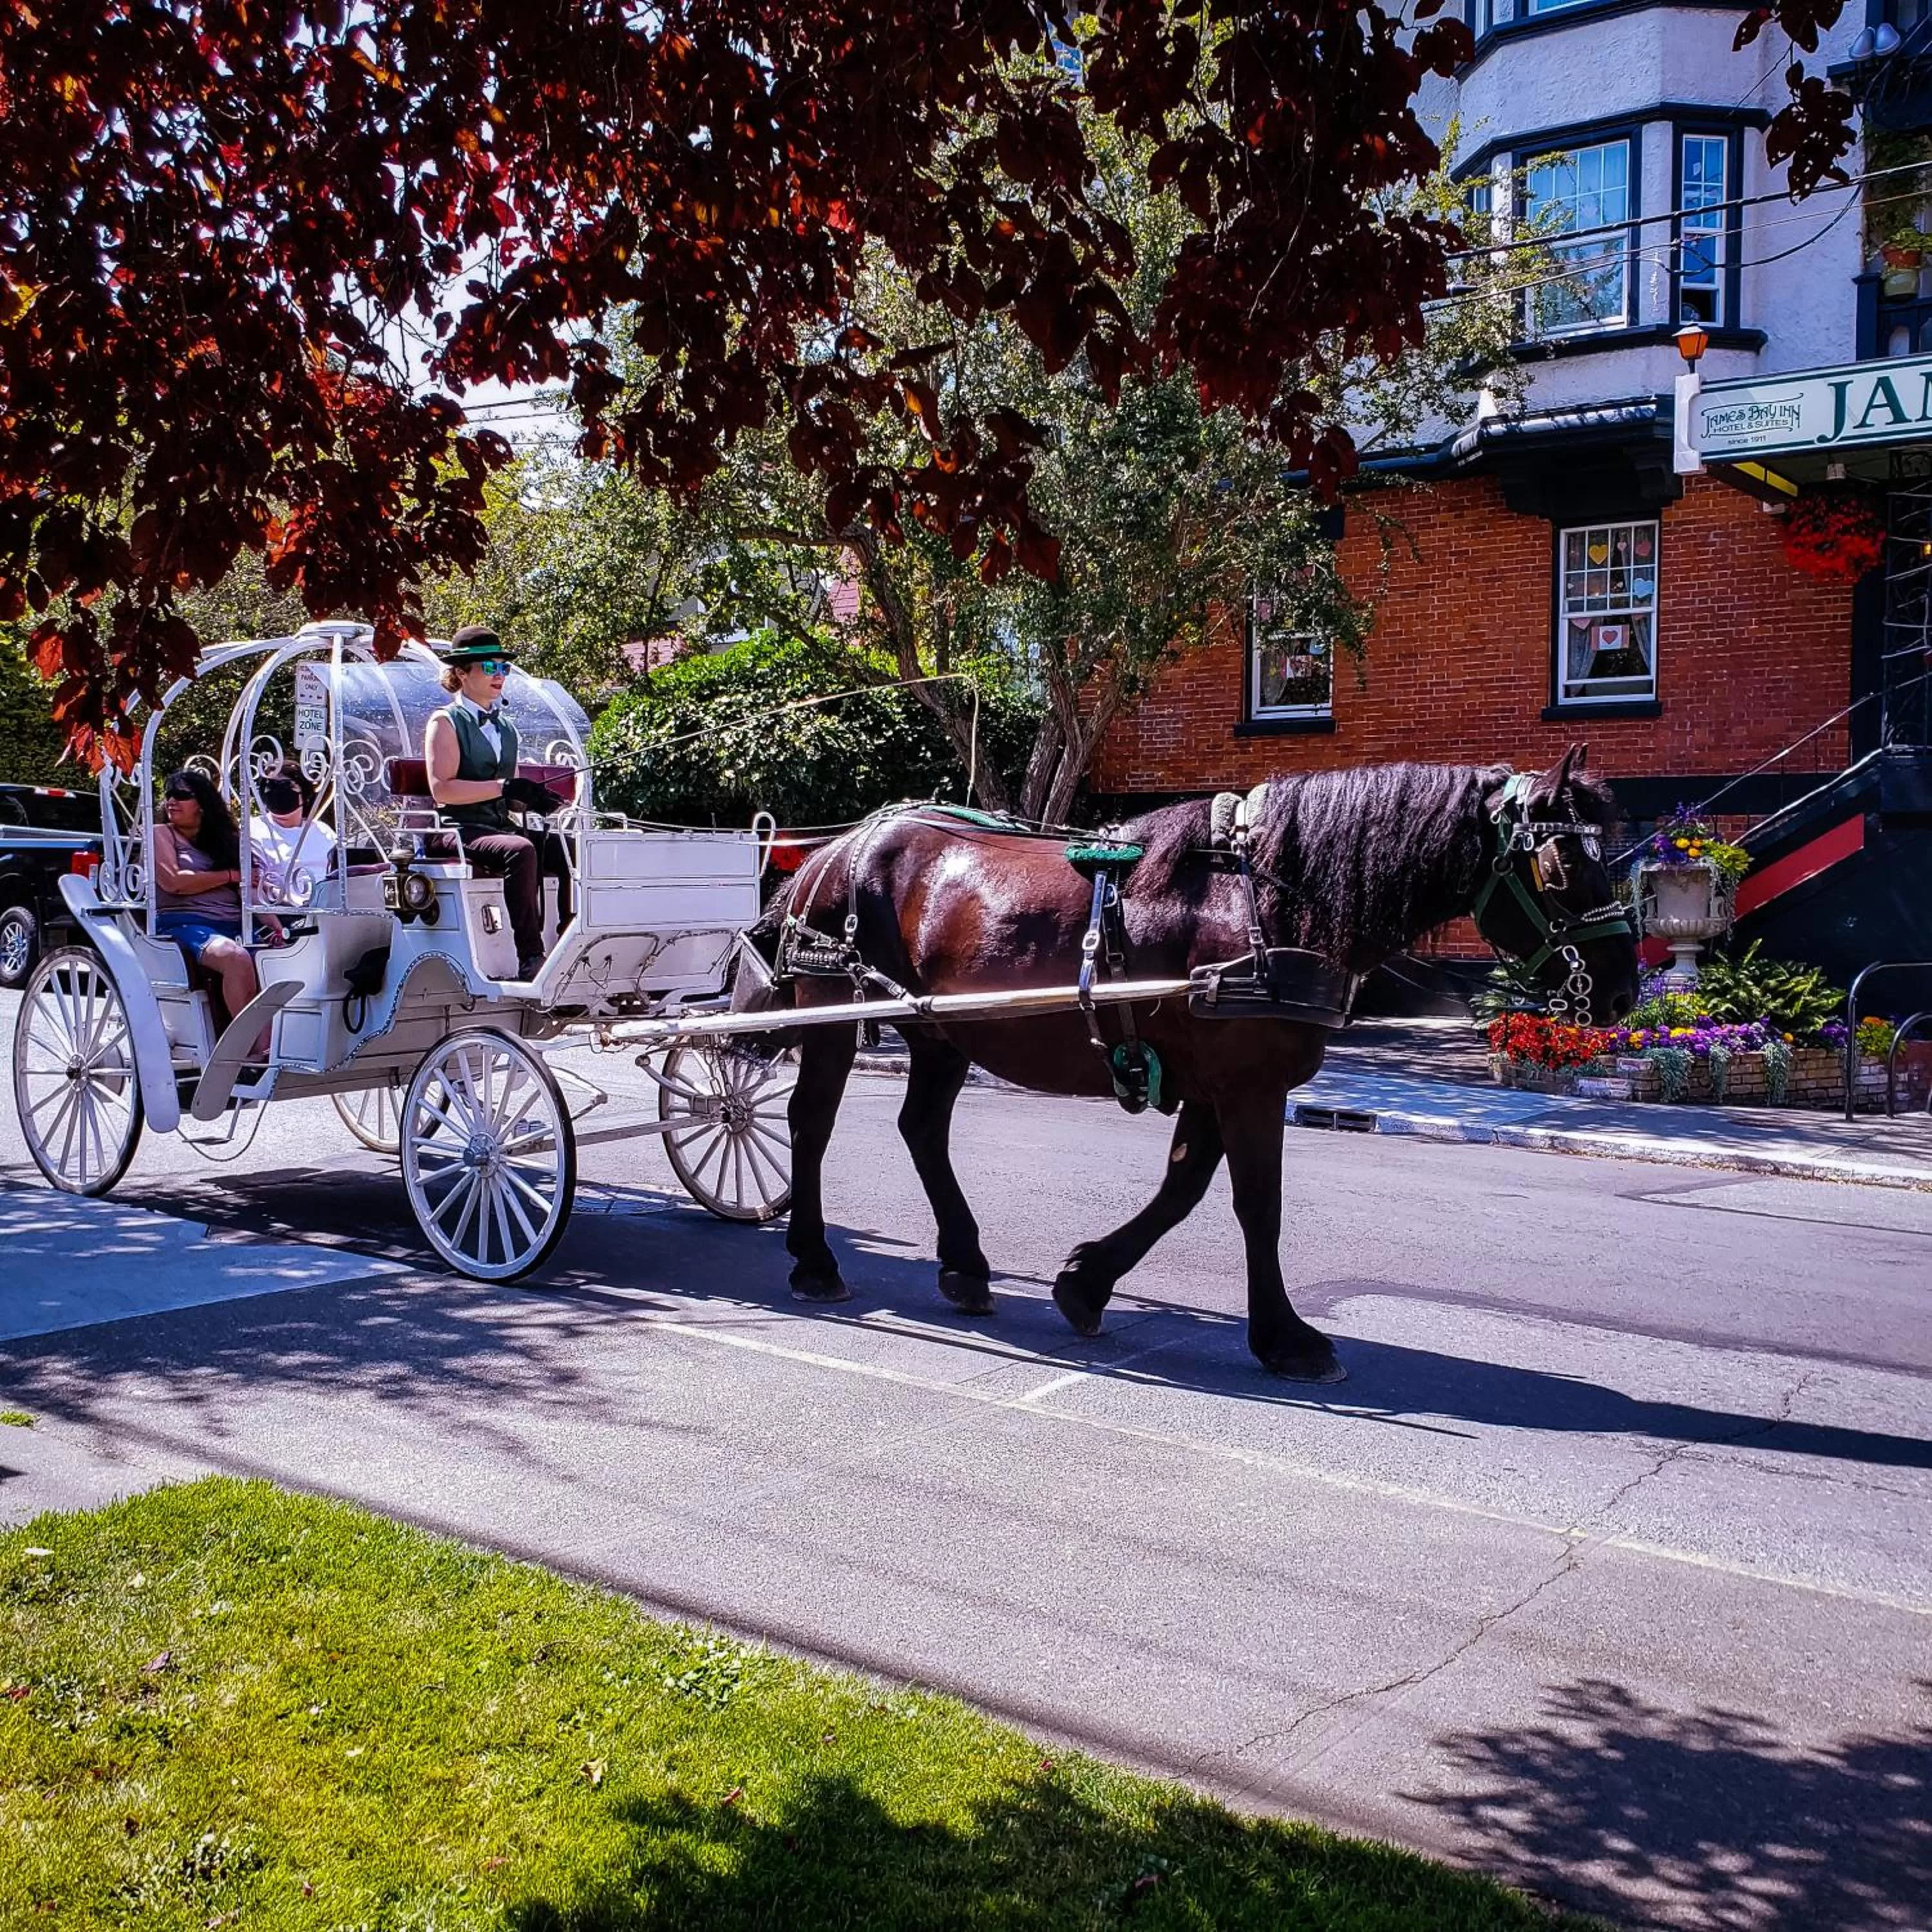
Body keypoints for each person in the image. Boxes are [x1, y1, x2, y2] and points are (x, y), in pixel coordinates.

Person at [422, 625, 572, 980]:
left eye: (503, 668)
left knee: (568, 848)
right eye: (490, 668)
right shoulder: (445, 722)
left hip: (498, 826)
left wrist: (533, 800)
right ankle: (530, 955)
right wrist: (504, 787)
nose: (500, 676)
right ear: (462, 672)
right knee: (520, 850)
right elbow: (442, 789)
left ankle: (569, 938)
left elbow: (509, 797)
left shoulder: (506, 729)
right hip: (456, 829)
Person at [153, 768, 277, 1043]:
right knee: (236, 957)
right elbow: (174, 882)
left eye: (182, 795)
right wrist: (230, 876)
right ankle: (257, 1048)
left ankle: (290, 1042)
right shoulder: (161, 834)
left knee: (290, 957)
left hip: (235, 922)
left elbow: (251, 891)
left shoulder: (228, 840)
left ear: (203, 804)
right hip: (186, 923)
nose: (172, 801)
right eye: (169, 795)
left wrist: (274, 924)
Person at [249, 760, 337, 905]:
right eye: (271, 786)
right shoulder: (255, 829)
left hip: (330, 905)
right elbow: (257, 884)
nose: (277, 792)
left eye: (285, 786)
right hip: (288, 910)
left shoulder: (322, 830)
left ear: (304, 793)